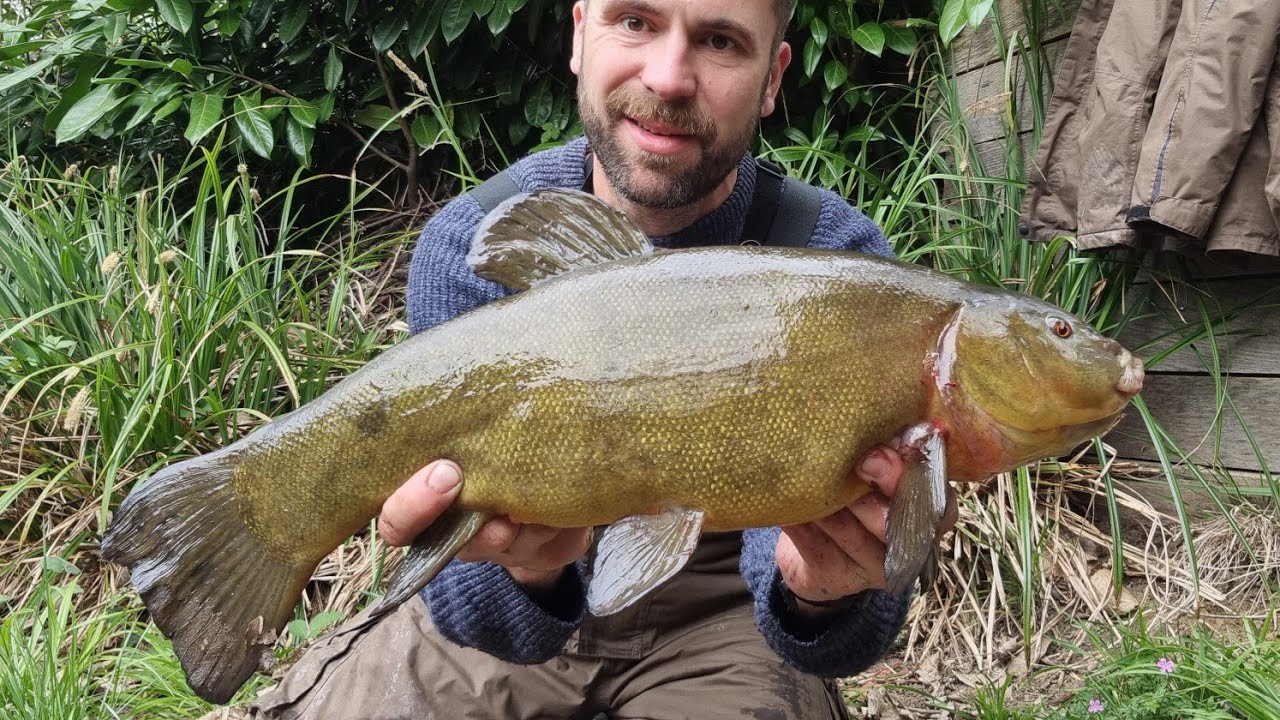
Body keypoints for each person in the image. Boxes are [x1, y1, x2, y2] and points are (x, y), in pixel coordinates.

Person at [250, 1, 957, 717]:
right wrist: (526, 568)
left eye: (719, 41)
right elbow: (469, 615)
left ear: (772, 78)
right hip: (523, 593)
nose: (669, 76)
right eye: (634, 22)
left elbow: (836, 642)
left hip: (726, 621)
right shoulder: (474, 241)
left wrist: (818, 594)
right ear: (579, 34)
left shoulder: (835, 262)